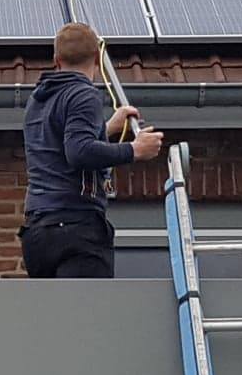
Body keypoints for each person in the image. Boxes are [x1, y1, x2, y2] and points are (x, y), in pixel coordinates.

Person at [21, 22, 165, 278]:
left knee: (52, 317)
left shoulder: (38, 99)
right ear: (98, 58)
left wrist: (107, 128)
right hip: (76, 229)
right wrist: (134, 149)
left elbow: (58, 145)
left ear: (56, 60)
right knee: (88, 314)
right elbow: (79, 152)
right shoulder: (83, 93)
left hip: (38, 233)